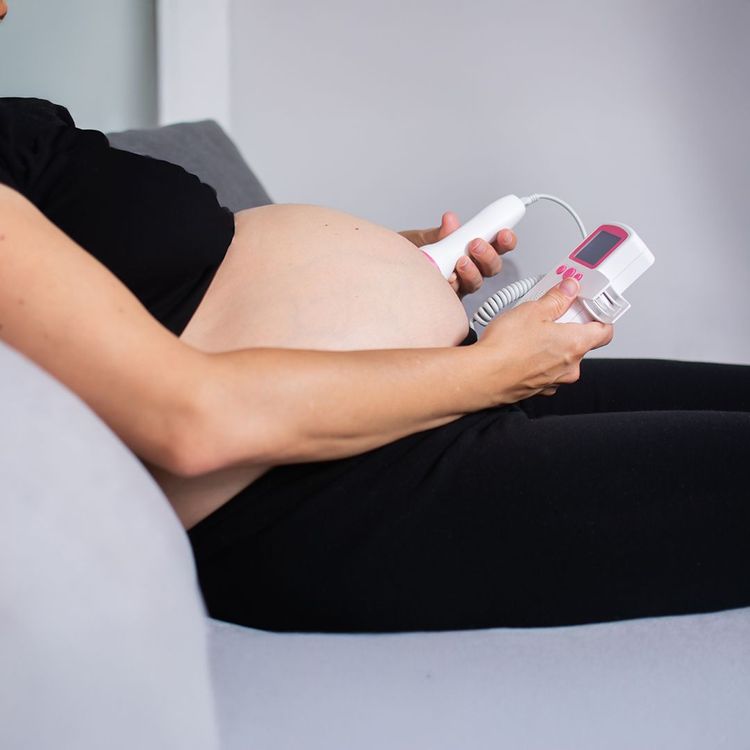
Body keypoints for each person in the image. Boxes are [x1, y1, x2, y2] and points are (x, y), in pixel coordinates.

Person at [1, 3, 748, 633]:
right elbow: (191, 422)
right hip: (315, 487)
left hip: (421, 395)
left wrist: (389, 265)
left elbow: (172, 284)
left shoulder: (22, 125)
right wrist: (492, 371)